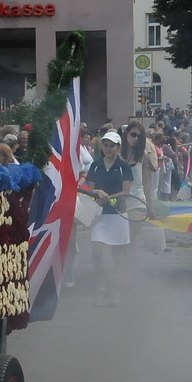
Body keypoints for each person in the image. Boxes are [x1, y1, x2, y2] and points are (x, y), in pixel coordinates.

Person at [80, 131, 133, 306]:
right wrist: (97, 193)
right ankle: (101, 286)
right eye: (105, 145)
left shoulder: (124, 167)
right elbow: (90, 190)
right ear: (101, 146)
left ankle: (115, 290)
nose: (108, 148)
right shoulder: (95, 166)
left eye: (112, 145)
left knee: (118, 255)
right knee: (97, 253)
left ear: (118, 147)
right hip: (99, 215)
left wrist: (111, 197)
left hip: (118, 214)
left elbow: (126, 193)